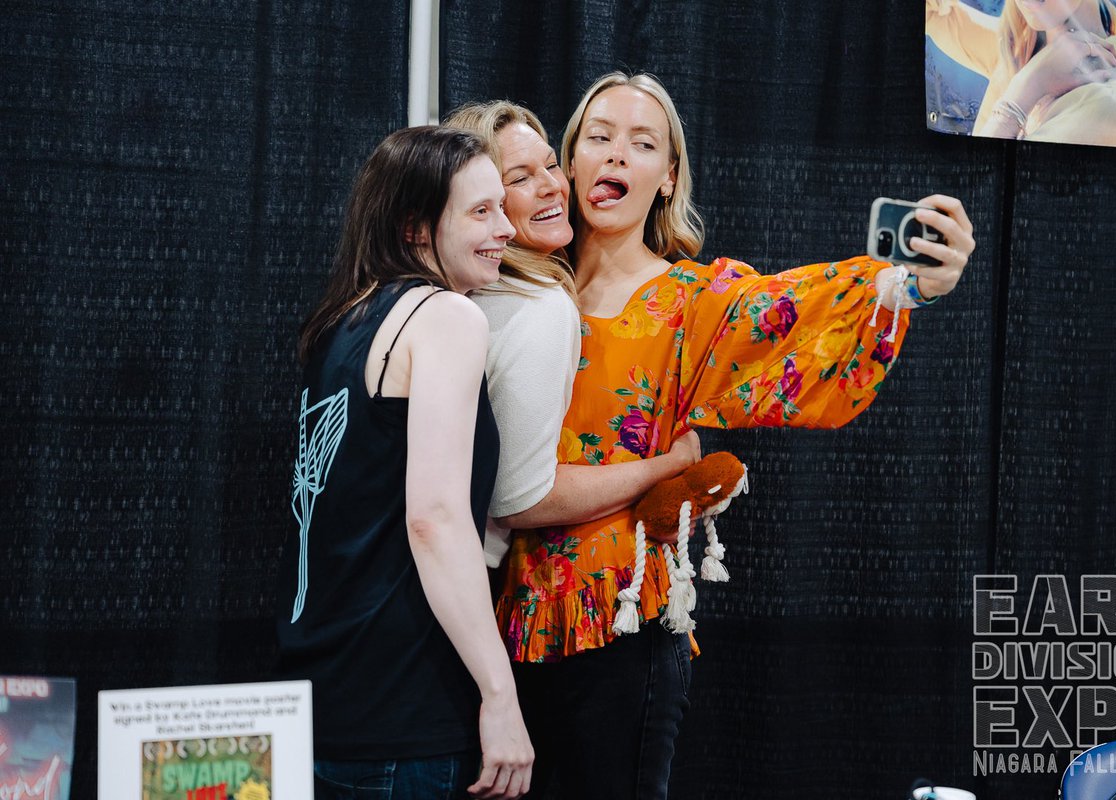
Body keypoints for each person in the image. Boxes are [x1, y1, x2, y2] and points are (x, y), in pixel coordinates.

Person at [486, 73, 976, 800]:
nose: (617, 154)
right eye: (599, 137)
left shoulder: (691, 302)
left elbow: (792, 310)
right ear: (570, 164)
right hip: (505, 623)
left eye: (642, 143)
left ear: (666, 180)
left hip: (622, 633)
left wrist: (908, 285)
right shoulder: (517, 284)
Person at [275, 126, 533, 800]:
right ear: (416, 227)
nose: (506, 228)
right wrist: (500, 695)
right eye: (481, 212)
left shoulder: (342, 321)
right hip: (402, 710)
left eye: (502, 206)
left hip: (323, 698)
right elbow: (436, 520)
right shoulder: (447, 316)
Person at [443, 101, 703, 569]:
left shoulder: (450, 293)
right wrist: (670, 464)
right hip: (476, 583)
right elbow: (519, 499)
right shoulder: (537, 303)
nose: (549, 186)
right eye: (518, 178)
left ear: (670, 175)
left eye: (548, 166)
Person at [926, 0, 1116, 147]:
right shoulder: (1022, 47)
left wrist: (1023, 94)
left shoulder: (1109, 109)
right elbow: (933, 15)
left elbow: (979, 194)